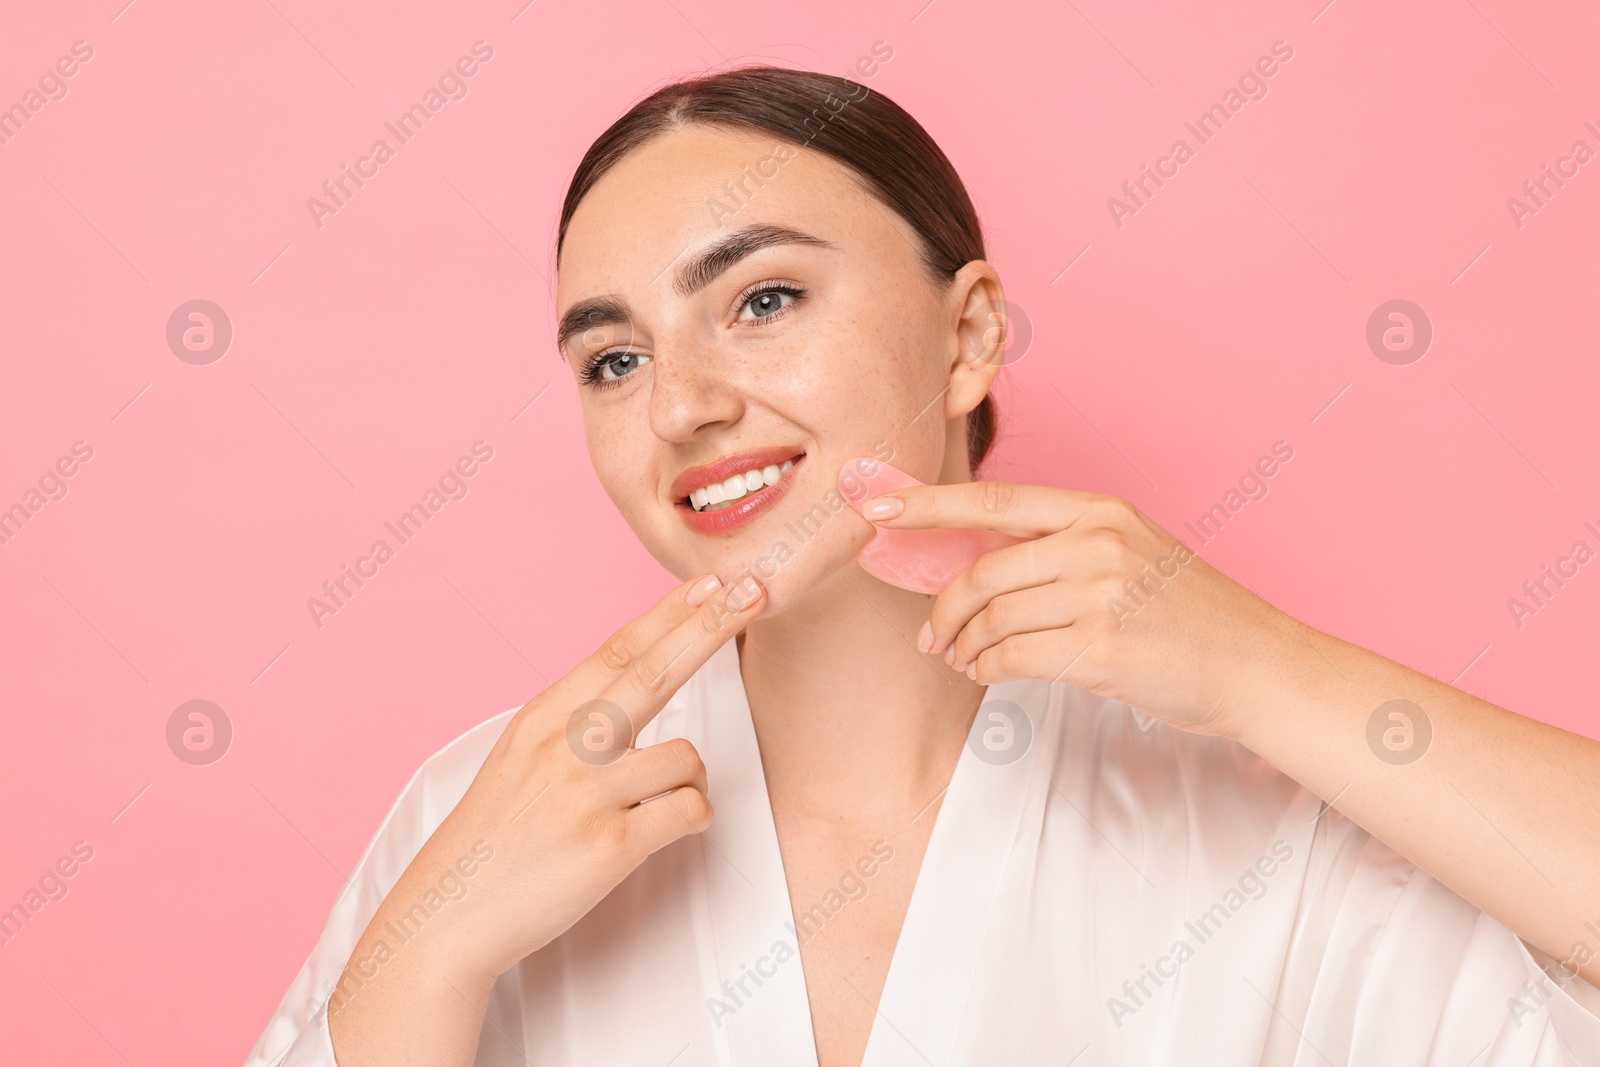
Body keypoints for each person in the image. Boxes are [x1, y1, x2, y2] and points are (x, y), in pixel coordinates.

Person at [244, 66, 1600, 1067]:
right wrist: (422, 963)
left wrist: (1265, 671)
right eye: (616, 359)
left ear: (970, 335)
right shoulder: (476, 821)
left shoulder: (1255, 824)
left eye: (762, 300)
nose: (681, 406)